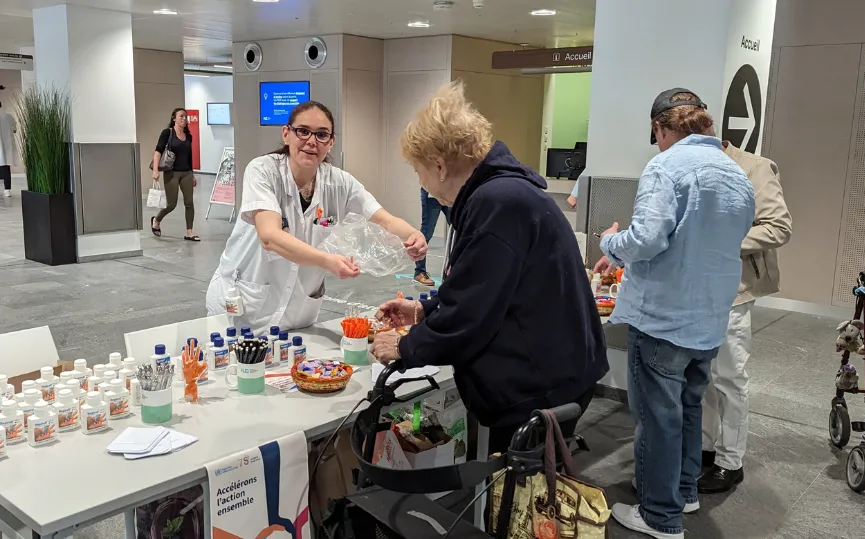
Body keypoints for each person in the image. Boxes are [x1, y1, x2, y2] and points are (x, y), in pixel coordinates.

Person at [370, 81, 608, 453]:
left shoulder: (497, 203)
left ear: (439, 164)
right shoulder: (504, 195)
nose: (423, 184)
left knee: (519, 502)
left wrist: (405, 346)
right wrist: (423, 310)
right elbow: (490, 288)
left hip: (539, 387)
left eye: (419, 172)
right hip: (556, 370)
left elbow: (470, 314)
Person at [594, 88, 754, 539]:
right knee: (687, 410)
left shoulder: (665, 166)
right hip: (709, 318)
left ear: (661, 128)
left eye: (656, 135)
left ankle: (659, 515)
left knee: (657, 417)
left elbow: (646, 239)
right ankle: (684, 492)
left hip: (664, 317)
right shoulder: (735, 173)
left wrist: (611, 242)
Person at [206, 101, 427, 335]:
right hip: (244, 309)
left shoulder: (340, 183)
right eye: (303, 131)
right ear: (286, 133)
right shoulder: (263, 171)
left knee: (300, 369)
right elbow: (269, 236)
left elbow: (385, 220)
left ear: (330, 142)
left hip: (297, 313)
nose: (312, 141)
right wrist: (326, 260)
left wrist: (413, 234)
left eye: (321, 135)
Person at [698, 141, 792, 494]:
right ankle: (707, 448)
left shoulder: (756, 167)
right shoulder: (689, 164)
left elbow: (779, 227)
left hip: (733, 288)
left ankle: (730, 461)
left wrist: (722, 243)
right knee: (703, 375)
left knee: (730, 376)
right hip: (694, 288)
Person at [151, 108, 199, 241]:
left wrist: (192, 174)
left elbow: (189, 157)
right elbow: (158, 152)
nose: (184, 119)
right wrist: (155, 170)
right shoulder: (168, 133)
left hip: (186, 173)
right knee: (171, 204)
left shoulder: (188, 136)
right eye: (181, 116)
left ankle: (190, 232)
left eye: (186, 117)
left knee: (189, 203)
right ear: (174, 118)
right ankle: (156, 219)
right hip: (172, 172)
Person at [413, 187, 449, 286]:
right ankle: (419, 272)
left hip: (450, 194)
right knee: (426, 232)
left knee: (458, 230)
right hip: (432, 194)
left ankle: (456, 271)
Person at [0, 101, 17, 198]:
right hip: (6, 147)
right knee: (5, 167)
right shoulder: (8, 116)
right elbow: (14, 130)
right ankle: (7, 190)